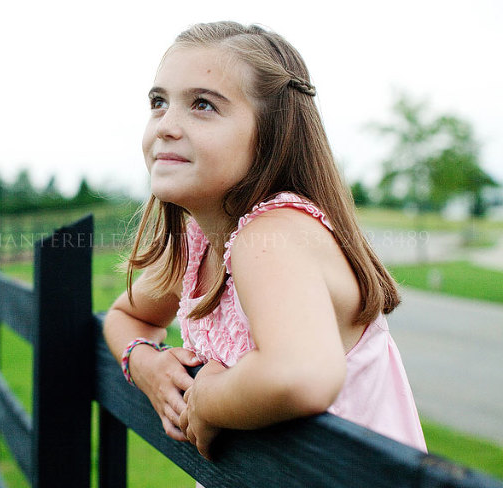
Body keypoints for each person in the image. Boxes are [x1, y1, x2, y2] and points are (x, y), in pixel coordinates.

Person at [102, 21, 427, 463]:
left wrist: (206, 398)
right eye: (159, 102)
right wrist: (146, 365)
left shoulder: (272, 237)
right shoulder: (199, 247)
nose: (166, 125)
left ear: (272, 133)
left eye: (203, 105)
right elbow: (125, 316)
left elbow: (301, 375)